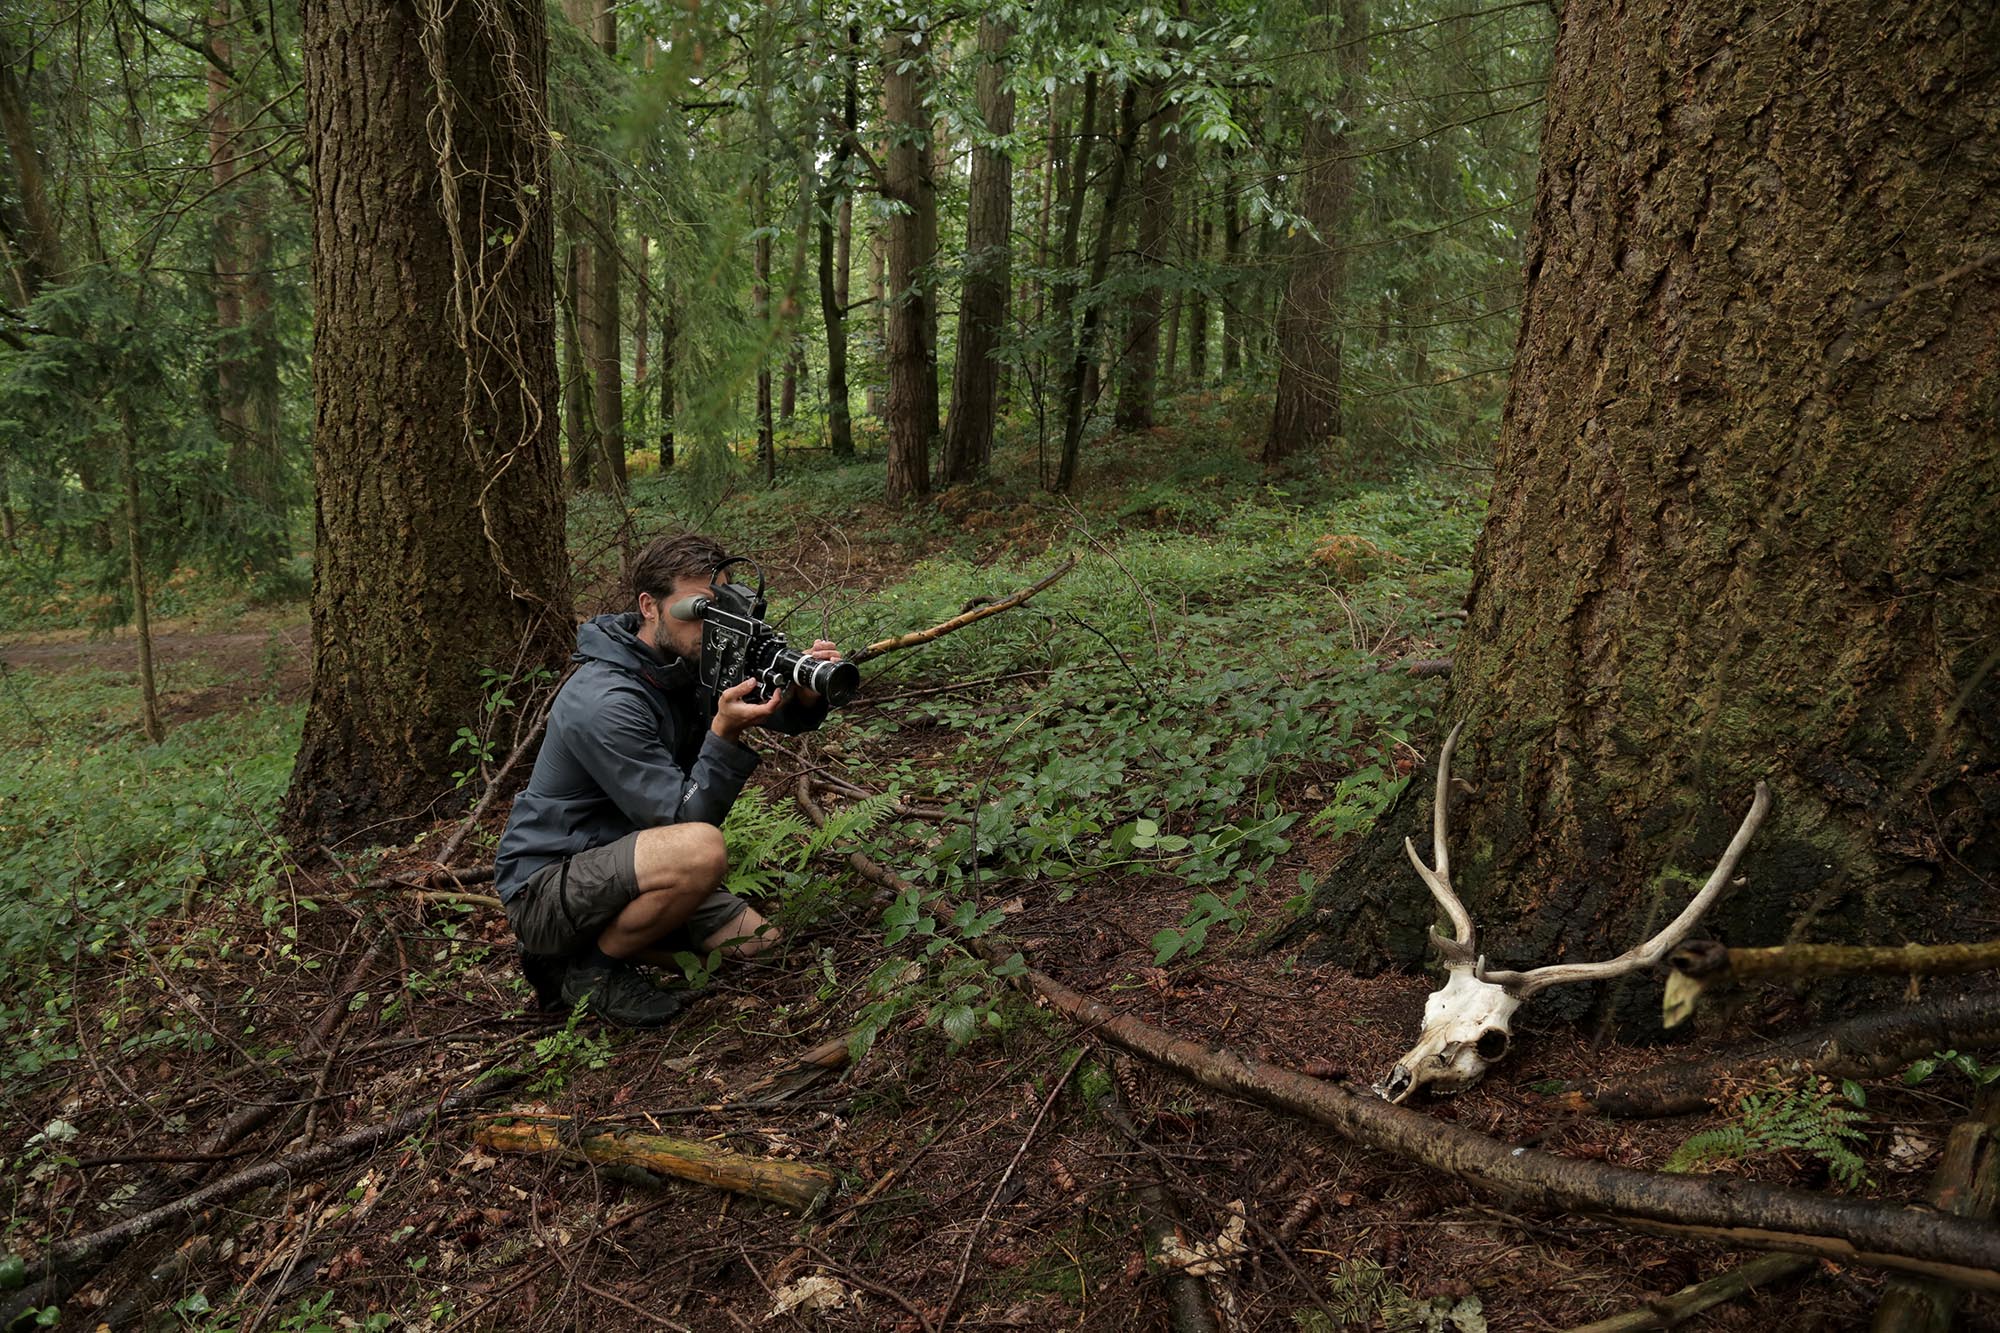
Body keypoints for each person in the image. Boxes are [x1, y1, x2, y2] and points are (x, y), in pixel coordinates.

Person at [495, 533, 843, 1026]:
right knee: (701, 850)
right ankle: (589, 971)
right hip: (548, 886)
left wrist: (804, 694)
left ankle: (586, 951)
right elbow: (684, 821)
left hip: (635, 864)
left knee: (759, 946)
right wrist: (722, 732)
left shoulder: (685, 659)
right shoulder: (604, 699)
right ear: (650, 606)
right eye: (699, 608)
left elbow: (774, 713)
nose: (713, 623)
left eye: (722, 606)